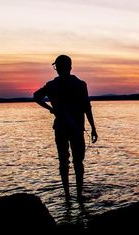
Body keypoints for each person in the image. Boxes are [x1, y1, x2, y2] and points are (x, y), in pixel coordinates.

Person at [33, 54, 98, 202]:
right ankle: (79, 195)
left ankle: (68, 196)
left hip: (61, 127)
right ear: (70, 67)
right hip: (76, 129)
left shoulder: (52, 85)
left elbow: (36, 96)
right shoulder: (80, 84)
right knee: (77, 162)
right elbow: (87, 107)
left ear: (58, 68)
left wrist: (51, 109)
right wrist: (93, 128)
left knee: (64, 161)